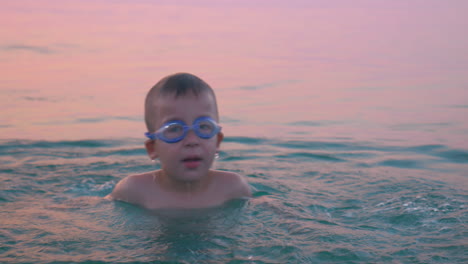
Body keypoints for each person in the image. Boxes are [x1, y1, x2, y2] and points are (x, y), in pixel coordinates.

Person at [106, 73, 252, 209]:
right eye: (174, 129)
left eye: (203, 127)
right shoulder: (134, 190)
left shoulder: (233, 188)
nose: (192, 141)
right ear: (153, 148)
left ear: (218, 141)